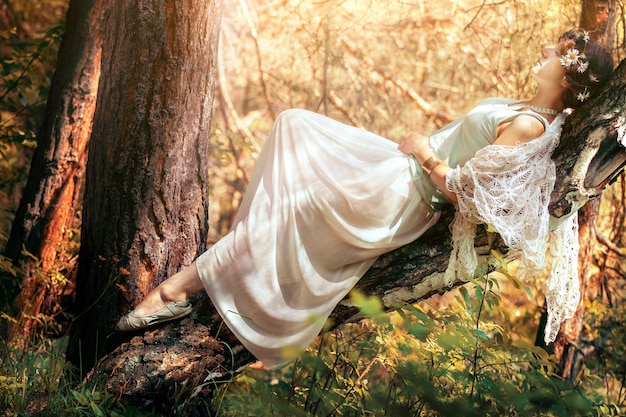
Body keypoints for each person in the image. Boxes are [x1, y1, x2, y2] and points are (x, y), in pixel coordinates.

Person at [116, 30, 614, 369]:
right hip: (396, 168)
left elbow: (472, 195)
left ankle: (176, 291)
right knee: (296, 125)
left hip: (408, 191)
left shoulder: (531, 125)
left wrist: (426, 153)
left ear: (567, 73)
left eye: (555, 53)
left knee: (293, 213)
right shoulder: (522, 107)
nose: (544, 55)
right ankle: (222, 279)